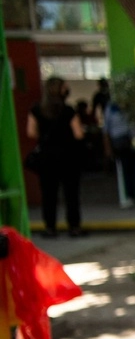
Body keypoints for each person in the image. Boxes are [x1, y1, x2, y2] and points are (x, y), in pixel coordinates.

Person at [26, 77, 85, 238]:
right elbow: (78, 133)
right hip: (68, 158)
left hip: (46, 158)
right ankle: (74, 227)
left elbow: (31, 132)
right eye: (65, 87)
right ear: (59, 90)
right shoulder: (68, 111)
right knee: (71, 195)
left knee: (48, 195)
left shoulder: (36, 110)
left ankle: (50, 228)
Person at [103, 95, 135, 209]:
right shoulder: (111, 108)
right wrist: (108, 148)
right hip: (121, 144)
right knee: (126, 170)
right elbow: (106, 130)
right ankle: (130, 197)